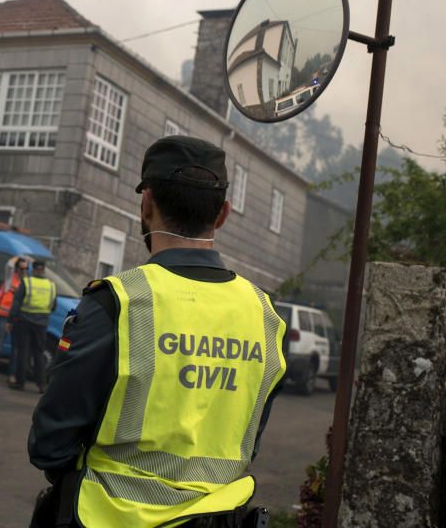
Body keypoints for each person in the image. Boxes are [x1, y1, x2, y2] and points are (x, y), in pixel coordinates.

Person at [27, 136, 287, 528]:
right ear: (223, 215)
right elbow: (249, 440)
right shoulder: (265, 316)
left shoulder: (117, 304)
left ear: (146, 204)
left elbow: (49, 446)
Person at [8, 259, 57, 393]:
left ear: (34, 270)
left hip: (25, 322)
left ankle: (20, 383)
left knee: (23, 352)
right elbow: (53, 306)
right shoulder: (51, 285)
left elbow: (16, 303)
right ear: (44, 270)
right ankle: (41, 385)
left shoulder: (27, 282)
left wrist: (10, 320)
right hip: (41, 324)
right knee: (39, 353)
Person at [0, 255, 28, 382]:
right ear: (16, 269)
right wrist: (20, 257)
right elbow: (9, 265)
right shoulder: (10, 279)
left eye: (26, 269)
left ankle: (12, 375)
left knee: (15, 349)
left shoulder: (26, 282)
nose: (23, 271)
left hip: (17, 319)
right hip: (4, 317)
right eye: (21, 268)